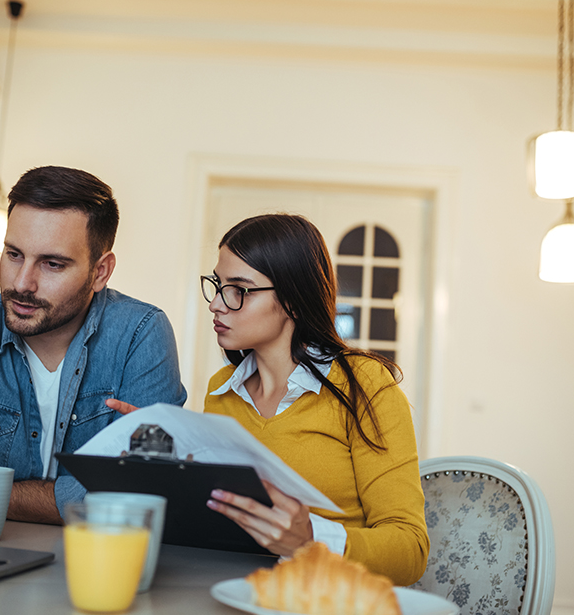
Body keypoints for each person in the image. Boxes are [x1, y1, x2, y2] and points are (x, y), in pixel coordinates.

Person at [111, 214, 428, 586]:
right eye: (217, 284)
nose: (216, 304)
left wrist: (311, 541)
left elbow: (411, 550)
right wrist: (167, 467)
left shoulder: (365, 386)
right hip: (234, 593)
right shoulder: (222, 391)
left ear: (293, 299)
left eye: (238, 289)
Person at [0, 166, 186, 537]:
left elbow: (139, 491)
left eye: (52, 264)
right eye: (14, 254)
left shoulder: (140, 334)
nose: (21, 283)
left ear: (101, 272)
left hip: (100, 563)